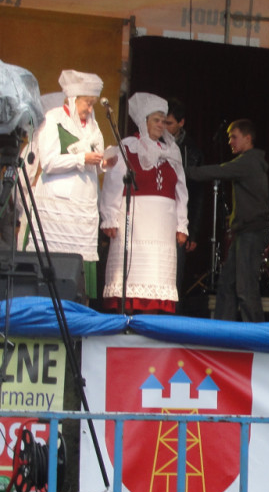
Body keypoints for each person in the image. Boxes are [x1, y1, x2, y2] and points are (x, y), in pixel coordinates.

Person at [24, 70, 116, 299]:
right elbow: (49, 162)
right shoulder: (53, 119)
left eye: (92, 104)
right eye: (87, 103)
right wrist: (81, 158)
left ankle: (76, 307)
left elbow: (95, 160)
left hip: (83, 206)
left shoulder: (92, 125)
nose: (90, 109)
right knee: (54, 262)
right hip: (58, 205)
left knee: (78, 268)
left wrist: (103, 162)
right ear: (73, 99)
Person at [100, 92, 188, 313]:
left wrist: (182, 224)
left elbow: (181, 190)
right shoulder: (128, 147)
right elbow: (113, 183)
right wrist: (110, 218)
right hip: (136, 220)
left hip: (163, 224)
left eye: (163, 121)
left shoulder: (172, 151)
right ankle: (128, 318)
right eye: (156, 120)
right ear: (144, 121)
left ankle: (152, 319)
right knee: (132, 275)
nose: (161, 125)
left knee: (157, 276)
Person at [186, 119, 269, 322]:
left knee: (245, 287)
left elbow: (218, 171)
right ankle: (222, 330)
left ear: (247, 138)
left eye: (234, 137)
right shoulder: (249, 161)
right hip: (244, 232)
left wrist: (183, 171)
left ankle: (255, 333)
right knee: (227, 284)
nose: (230, 141)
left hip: (251, 232)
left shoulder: (248, 161)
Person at [164, 97, 204, 307]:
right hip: (159, 214)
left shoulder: (192, 151)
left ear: (181, 123)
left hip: (179, 219)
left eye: (169, 123)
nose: (164, 127)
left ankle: (173, 316)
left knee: (175, 273)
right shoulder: (156, 143)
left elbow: (197, 196)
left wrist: (192, 232)